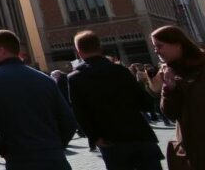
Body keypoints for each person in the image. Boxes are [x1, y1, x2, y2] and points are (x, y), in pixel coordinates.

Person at [0, 29, 77, 170]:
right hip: (55, 159)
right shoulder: (45, 80)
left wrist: (2, 149)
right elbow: (69, 120)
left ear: (1, 50)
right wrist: (56, 145)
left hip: (20, 160)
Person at [67, 30, 162, 170]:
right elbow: (144, 103)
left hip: (109, 139)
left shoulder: (75, 78)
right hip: (139, 134)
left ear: (78, 52)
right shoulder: (121, 71)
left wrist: (94, 137)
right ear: (100, 48)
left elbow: (79, 112)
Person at [149, 25, 205, 169]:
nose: (156, 51)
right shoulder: (168, 72)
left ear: (177, 44)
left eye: (159, 46)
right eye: (155, 47)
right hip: (192, 147)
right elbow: (171, 113)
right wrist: (169, 89)